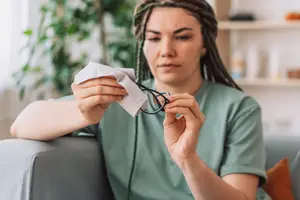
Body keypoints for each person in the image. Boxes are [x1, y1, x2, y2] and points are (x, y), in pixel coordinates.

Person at [10, 0, 272, 199]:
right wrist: (84, 114)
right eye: (154, 38)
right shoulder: (118, 99)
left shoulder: (238, 107)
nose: (166, 51)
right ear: (142, 45)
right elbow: (21, 125)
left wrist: (187, 159)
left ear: (205, 44)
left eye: (182, 37)